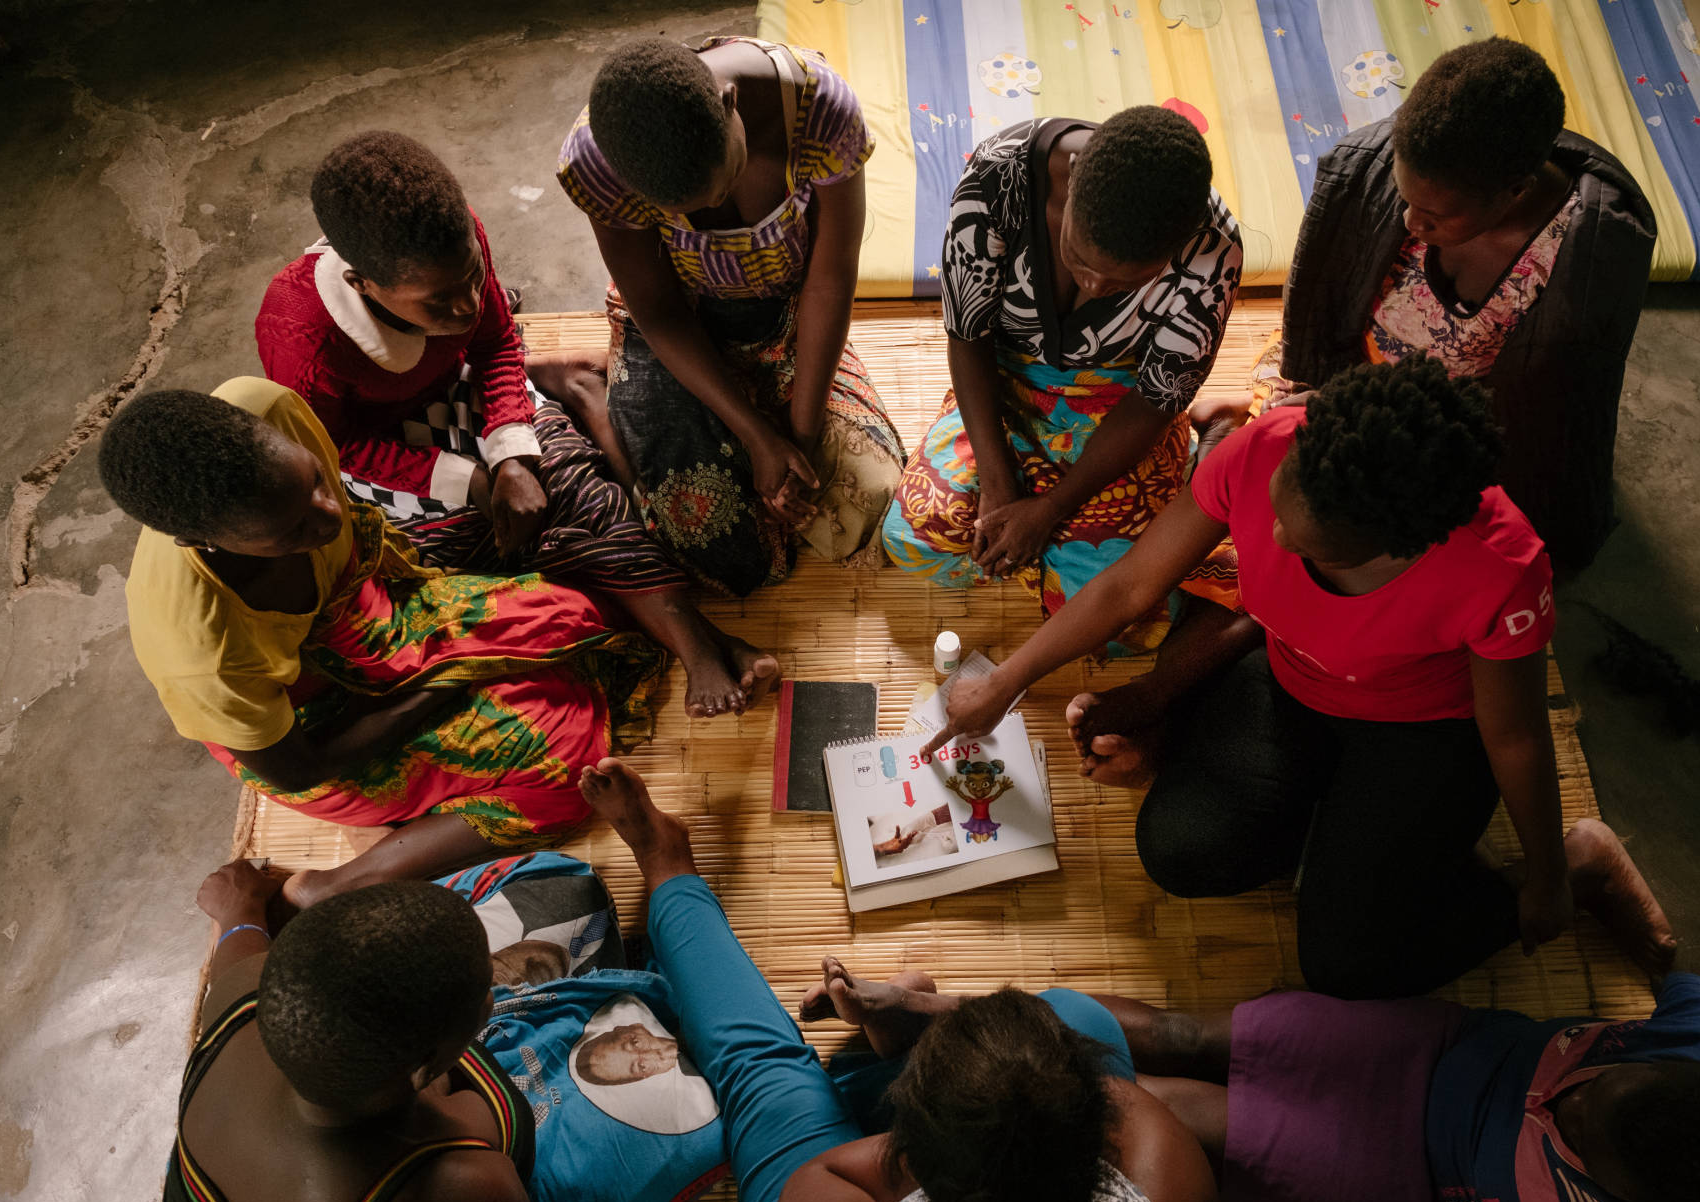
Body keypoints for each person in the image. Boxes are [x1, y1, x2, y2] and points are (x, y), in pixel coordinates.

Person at [928, 356, 1676, 998]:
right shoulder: (1271, 446)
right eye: (1279, 509)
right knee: (1178, 850)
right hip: (1293, 682)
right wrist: (1005, 683)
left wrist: (1546, 875)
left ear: (1404, 544)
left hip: (1425, 733)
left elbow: (1515, 737)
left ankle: (1585, 862)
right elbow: (1129, 586)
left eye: (1311, 546)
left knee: (1348, 964)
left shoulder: (1498, 566)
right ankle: (1349, 844)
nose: (1275, 537)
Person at [810, 895, 1700, 1202]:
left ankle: (965, 1057)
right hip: (1436, 1053)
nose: (1572, 1104)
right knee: (1184, 1032)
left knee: (1167, 1117)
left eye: (1589, 1141)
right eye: (1607, 1083)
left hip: (1428, 1197)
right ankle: (939, 1021)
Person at [575, 759, 1225, 1202]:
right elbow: (1093, 1089)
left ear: (909, 1163)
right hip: (998, 1168)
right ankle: (900, 1042)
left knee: (769, 1079)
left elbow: (825, 1173)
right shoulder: (1171, 1180)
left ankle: (666, 862)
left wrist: (949, 1124)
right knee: (1072, 1018)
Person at [257, 130, 775, 717]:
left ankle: (694, 644)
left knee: (575, 486)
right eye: (437, 302)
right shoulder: (298, 332)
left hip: (462, 389)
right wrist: (475, 481)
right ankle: (708, 639)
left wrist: (511, 457)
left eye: (473, 278)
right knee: (467, 553)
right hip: (388, 453)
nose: (467, 305)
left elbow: (497, 341)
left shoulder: (458, 240)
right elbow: (338, 447)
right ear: (363, 285)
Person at [104, 377, 664, 902]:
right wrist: (441, 685)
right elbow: (298, 768)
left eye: (316, 481)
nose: (328, 515)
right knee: (563, 771)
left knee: (573, 615)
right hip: (318, 728)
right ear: (199, 542)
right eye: (291, 532)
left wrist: (454, 664)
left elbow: (348, 547)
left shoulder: (267, 408)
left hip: (362, 613)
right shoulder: (202, 652)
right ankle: (341, 883)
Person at [164, 843, 736, 1202]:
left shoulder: (244, 994)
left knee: (565, 889)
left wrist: (239, 904)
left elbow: (240, 928)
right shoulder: (455, 1201)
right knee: (710, 1112)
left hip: (370, 1136)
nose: (495, 990)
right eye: (484, 998)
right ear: (428, 1071)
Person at [1208, 37, 1655, 574]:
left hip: (1438, 432)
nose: (1410, 223)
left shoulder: (1586, 262)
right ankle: (1249, 413)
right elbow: (1321, 306)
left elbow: (1549, 411)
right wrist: (1325, 398)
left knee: (1357, 553)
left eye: (1436, 216)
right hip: (1349, 378)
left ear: (1516, 191)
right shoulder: (1372, 164)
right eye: (1405, 198)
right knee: (1269, 515)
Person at [882, 106, 1245, 654]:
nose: (1094, 286)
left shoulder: (1213, 251)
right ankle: (1055, 561)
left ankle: (1208, 432)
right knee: (913, 540)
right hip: (1005, 381)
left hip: (1120, 404)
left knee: (1129, 627)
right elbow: (968, 335)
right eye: (1078, 258)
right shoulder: (997, 179)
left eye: (1123, 283)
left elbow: (1153, 400)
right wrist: (998, 482)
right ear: (1072, 179)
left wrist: (1051, 509)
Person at [556, 36, 905, 597]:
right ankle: (588, 385)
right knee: (725, 552)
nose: (709, 211)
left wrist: (800, 436)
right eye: (680, 211)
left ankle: (708, 407)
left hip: (785, 318)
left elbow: (831, 278)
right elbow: (660, 311)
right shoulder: (596, 161)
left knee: (875, 510)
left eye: (721, 183)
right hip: (679, 330)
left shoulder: (820, 110)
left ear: (730, 103)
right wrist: (758, 437)